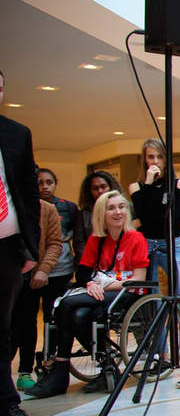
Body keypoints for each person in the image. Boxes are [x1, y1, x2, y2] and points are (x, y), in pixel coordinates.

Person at [27, 192, 149, 398]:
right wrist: (91, 283)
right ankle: (107, 364)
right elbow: (83, 271)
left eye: (121, 207)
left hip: (126, 293)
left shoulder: (136, 238)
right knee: (78, 315)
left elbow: (138, 278)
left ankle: (60, 370)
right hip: (100, 291)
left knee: (66, 304)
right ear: (102, 213)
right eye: (111, 208)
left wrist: (104, 285)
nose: (118, 212)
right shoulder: (96, 239)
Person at [0, 70, 48, 416]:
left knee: (4, 329)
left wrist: (30, 246)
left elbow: (28, 194)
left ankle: (6, 406)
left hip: (7, 244)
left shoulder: (16, 133)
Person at [129, 138, 180, 376]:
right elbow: (145, 216)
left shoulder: (178, 184)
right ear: (144, 160)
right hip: (149, 248)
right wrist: (149, 184)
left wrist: (153, 210)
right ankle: (162, 356)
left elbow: (176, 216)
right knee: (156, 304)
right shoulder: (137, 188)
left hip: (173, 245)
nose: (155, 162)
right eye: (150, 157)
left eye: (159, 157)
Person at [7, 187, 62, 393]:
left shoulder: (47, 209)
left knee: (27, 324)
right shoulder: (8, 207)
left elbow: (55, 243)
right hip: (7, 276)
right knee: (6, 325)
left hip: (32, 276)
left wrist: (44, 270)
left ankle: (24, 371)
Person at [27, 169, 77, 391]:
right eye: (40, 183)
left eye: (49, 182)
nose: (45, 186)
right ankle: (27, 368)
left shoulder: (67, 207)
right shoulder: (26, 207)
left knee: (53, 317)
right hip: (30, 271)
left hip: (60, 270)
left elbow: (71, 235)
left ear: (56, 184)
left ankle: (51, 363)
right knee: (27, 321)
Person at [74, 171, 120, 277]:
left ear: (111, 187)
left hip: (119, 267)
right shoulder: (83, 214)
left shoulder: (123, 210)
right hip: (92, 269)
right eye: (95, 188)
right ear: (89, 191)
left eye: (103, 186)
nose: (100, 191)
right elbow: (79, 246)